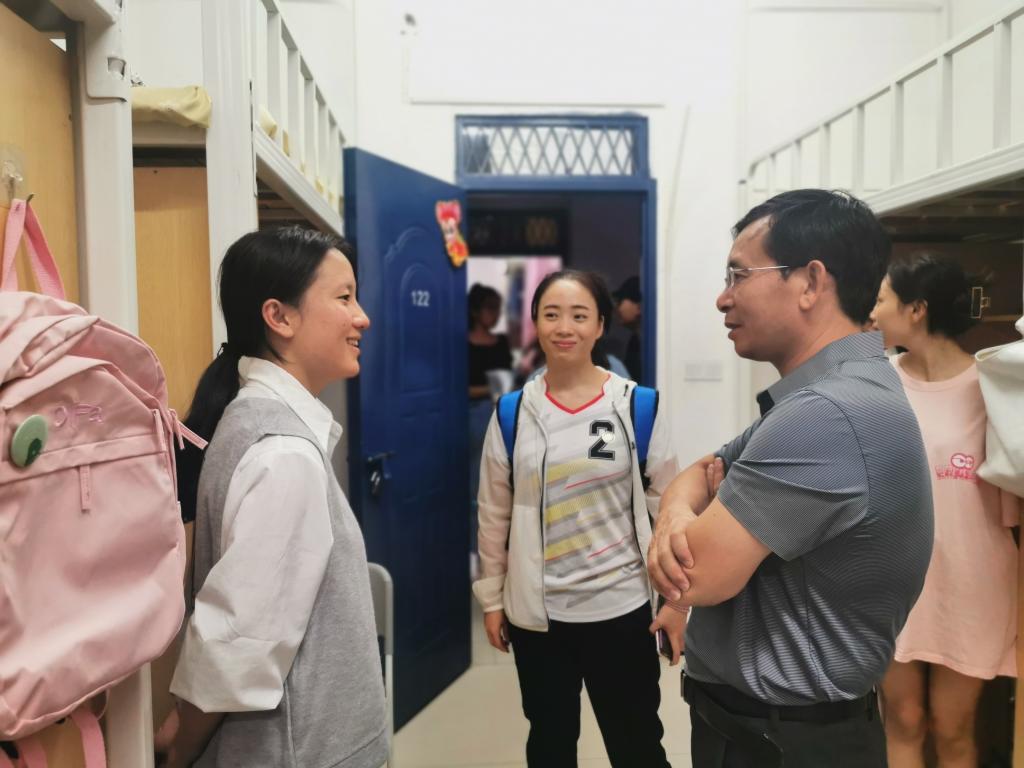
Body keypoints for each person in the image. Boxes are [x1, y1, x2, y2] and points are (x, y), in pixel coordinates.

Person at [647, 189, 934, 767]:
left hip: (783, 742)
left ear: (810, 282)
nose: (723, 297)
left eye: (738, 275)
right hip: (777, 729)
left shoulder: (826, 415)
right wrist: (678, 511)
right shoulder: (833, 393)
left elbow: (693, 576)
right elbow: (698, 472)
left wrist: (686, 521)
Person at [154, 227, 387, 768]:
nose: (362, 318)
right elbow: (239, 643)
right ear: (279, 317)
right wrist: (181, 750)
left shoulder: (259, 422)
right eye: (344, 297)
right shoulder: (283, 452)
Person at [473, 269, 680, 768]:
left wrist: (677, 601)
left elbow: (669, 511)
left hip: (622, 609)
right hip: (539, 618)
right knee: (550, 744)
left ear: (600, 325)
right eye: (551, 314)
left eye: (579, 315)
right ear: (535, 324)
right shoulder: (512, 413)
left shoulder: (636, 406)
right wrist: (492, 600)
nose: (564, 327)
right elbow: (494, 513)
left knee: (637, 747)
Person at [870, 254, 1020, 768]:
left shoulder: (993, 385)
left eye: (881, 299)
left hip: (973, 582)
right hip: (893, 583)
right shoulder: (877, 382)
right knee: (903, 719)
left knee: (955, 729)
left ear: (916, 310)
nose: (872, 311)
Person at [467, 284, 513, 571]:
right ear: (475, 310)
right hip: (473, 416)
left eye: (498, 308)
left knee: (501, 480)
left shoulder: (501, 342)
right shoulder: (463, 343)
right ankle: (476, 551)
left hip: (500, 412)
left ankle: (498, 548)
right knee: (474, 482)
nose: (495, 314)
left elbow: (507, 379)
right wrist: (489, 389)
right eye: (490, 308)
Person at [604, 275, 643, 381]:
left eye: (620, 301)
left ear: (638, 306)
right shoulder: (635, 340)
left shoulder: (649, 344)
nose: (617, 309)